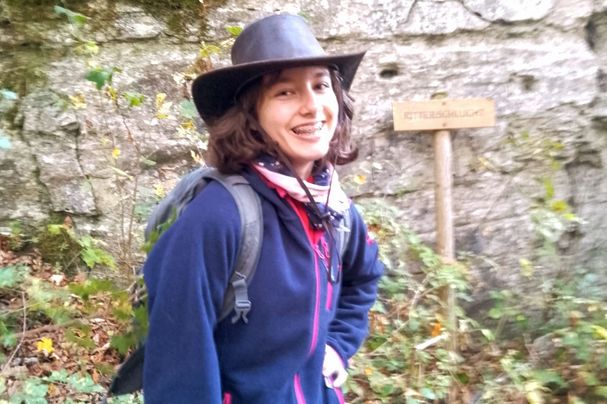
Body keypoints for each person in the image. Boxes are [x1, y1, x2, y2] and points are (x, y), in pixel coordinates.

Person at [142, 13, 384, 404]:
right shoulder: (217, 218)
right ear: (251, 114)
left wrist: (338, 344)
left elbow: (364, 277)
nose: (312, 106)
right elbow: (178, 369)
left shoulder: (334, 208)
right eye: (285, 92)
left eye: (321, 85)